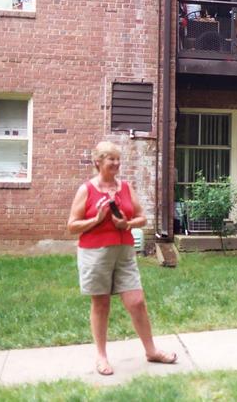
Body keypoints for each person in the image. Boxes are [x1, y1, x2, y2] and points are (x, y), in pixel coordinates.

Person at [67, 141, 177, 376]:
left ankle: (151, 351)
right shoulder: (86, 189)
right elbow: (72, 226)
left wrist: (125, 223)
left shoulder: (125, 187)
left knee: (136, 301)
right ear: (98, 163)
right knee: (101, 303)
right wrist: (97, 219)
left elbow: (142, 218)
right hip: (95, 254)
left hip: (124, 251)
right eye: (111, 159)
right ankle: (101, 356)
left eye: (118, 159)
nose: (117, 163)